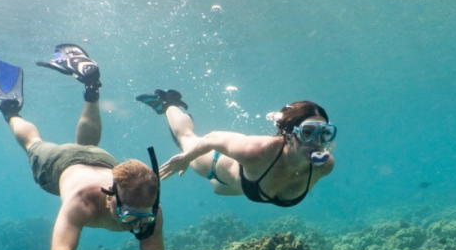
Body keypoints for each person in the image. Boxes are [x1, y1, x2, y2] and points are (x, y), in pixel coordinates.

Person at [0, 45, 164, 250]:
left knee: (90, 144)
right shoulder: (81, 201)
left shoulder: (150, 207)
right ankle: (10, 109)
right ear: (109, 196)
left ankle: (91, 86)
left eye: (144, 219)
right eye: (129, 218)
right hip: (60, 162)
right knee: (33, 143)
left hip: (102, 159)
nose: (139, 225)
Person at [136, 89, 336, 207]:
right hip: (215, 164)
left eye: (325, 133)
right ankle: (168, 103)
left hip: (237, 187)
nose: (317, 141)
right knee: (186, 138)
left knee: (217, 190)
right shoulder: (257, 150)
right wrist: (187, 157)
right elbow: (213, 138)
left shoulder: (324, 165)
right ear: (289, 133)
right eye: (308, 132)